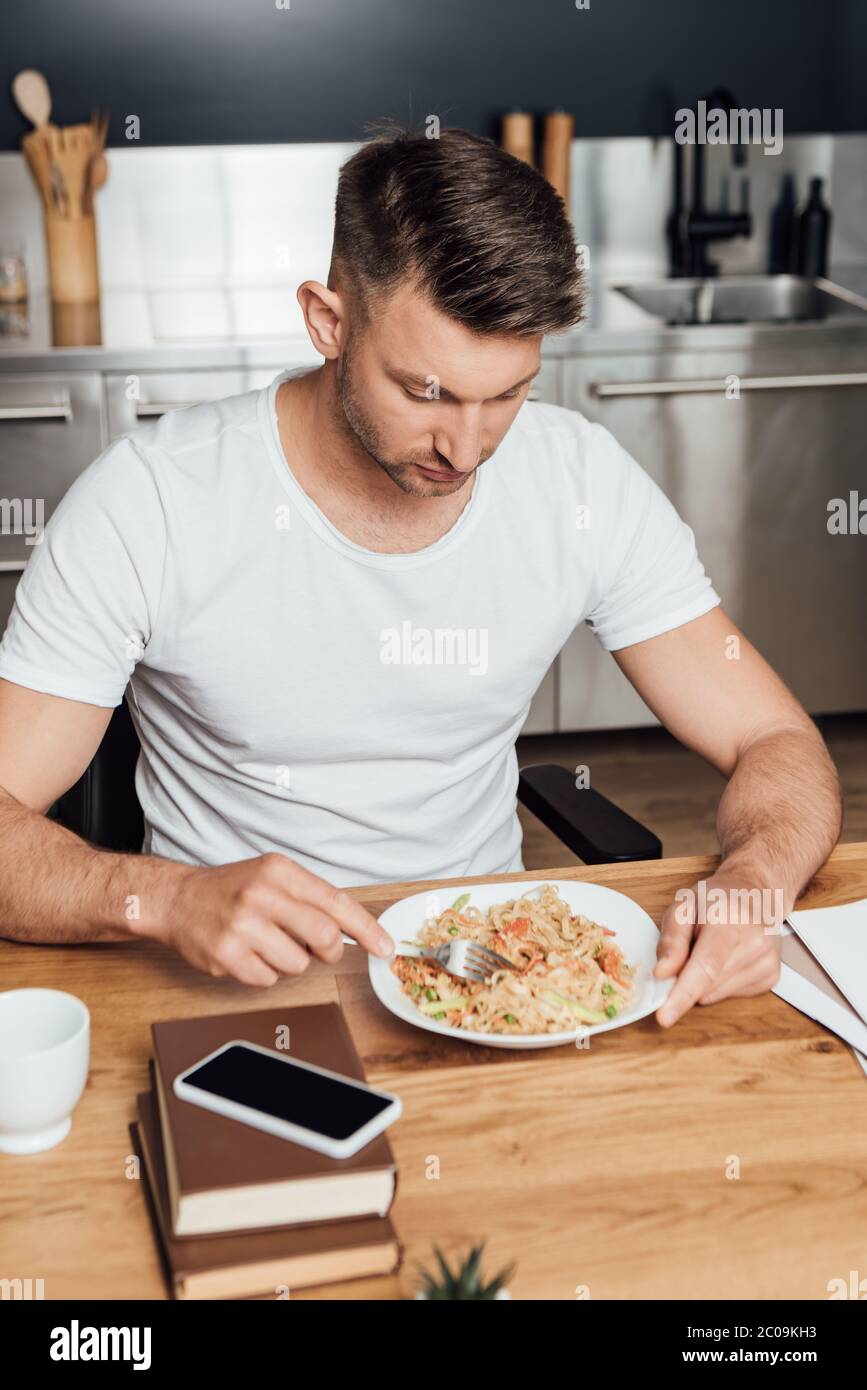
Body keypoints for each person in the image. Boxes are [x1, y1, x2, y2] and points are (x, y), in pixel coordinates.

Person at [0, 128, 840, 1026]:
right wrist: (166, 900)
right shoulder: (153, 502)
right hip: (235, 990)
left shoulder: (580, 482)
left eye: (508, 393)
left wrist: (752, 883)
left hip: (490, 978)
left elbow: (775, 740)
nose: (466, 447)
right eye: (427, 392)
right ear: (328, 322)